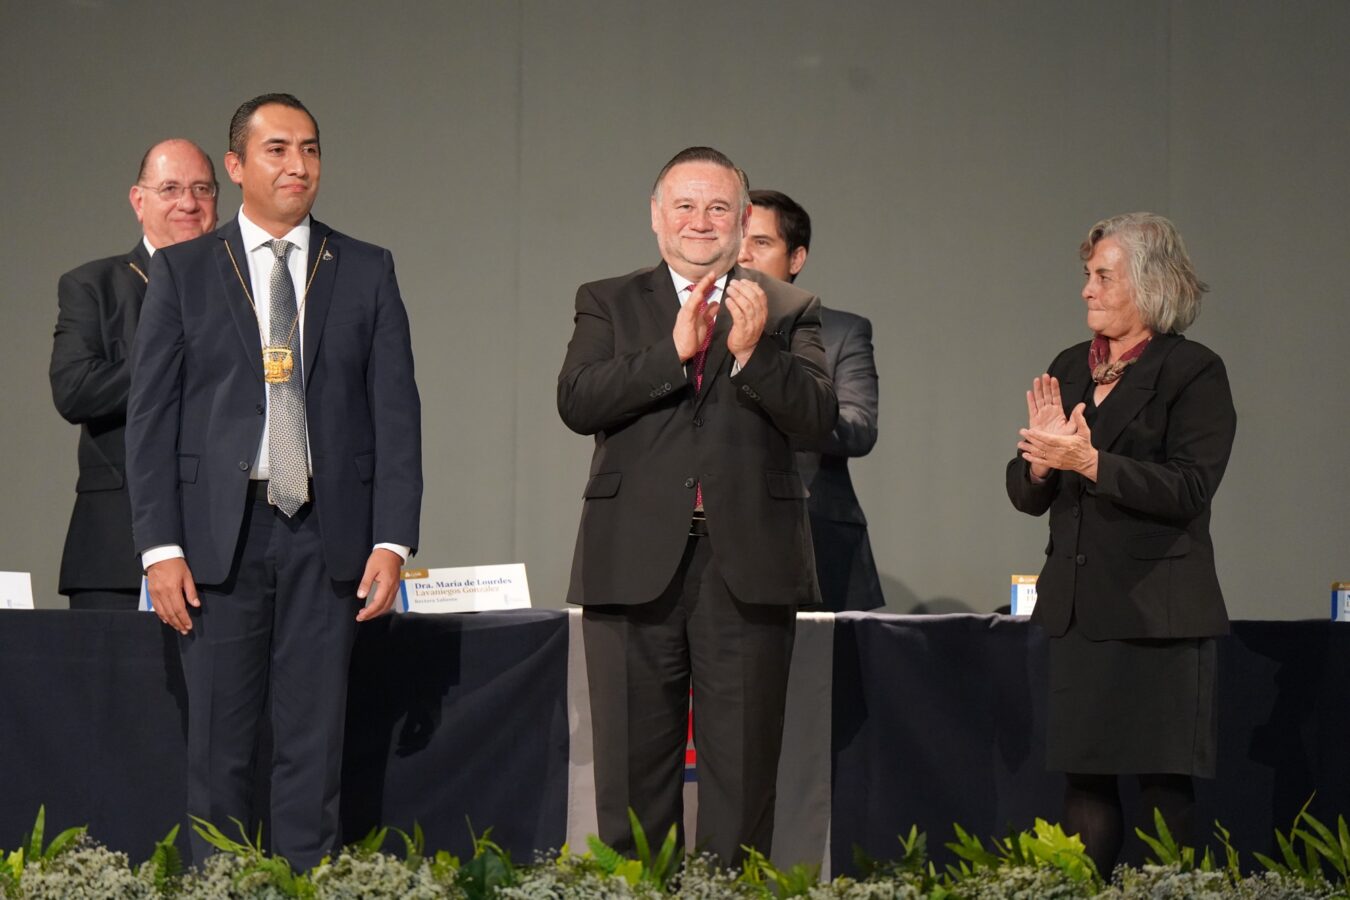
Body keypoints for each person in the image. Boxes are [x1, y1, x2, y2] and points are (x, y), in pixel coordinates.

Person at [126, 93, 422, 869]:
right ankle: (218, 886)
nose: (299, 165)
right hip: (219, 540)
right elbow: (151, 420)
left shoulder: (365, 267)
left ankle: (304, 886)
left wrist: (392, 537)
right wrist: (159, 548)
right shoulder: (187, 271)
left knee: (313, 748)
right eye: (279, 149)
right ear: (236, 166)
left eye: (311, 149)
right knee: (218, 747)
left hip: (330, 535)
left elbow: (396, 414)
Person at [558, 147, 837, 865]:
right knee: (629, 775)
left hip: (747, 565)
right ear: (657, 217)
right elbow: (578, 399)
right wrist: (670, 354)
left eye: (719, 208)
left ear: (744, 223)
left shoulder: (788, 308)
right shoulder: (608, 300)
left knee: (741, 780)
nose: (700, 221)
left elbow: (816, 421)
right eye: (684, 205)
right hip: (631, 562)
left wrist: (753, 355)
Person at [1006, 212, 1235, 875]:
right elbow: (1026, 495)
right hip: (1080, 613)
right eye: (1087, 275)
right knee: (1085, 782)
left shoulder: (1192, 372)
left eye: (1103, 276)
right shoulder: (1068, 368)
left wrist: (1088, 462)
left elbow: (1189, 488)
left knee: (1163, 788)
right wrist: (1043, 464)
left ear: (1151, 284)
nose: (1087, 290)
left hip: (1155, 614)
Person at [50, 139, 218, 610]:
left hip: (225, 546)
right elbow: (74, 390)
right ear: (138, 201)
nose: (188, 202)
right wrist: (174, 362)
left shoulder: (242, 288)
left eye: (202, 189)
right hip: (115, 552)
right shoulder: (94, 285)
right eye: (170, 188)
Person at [738, 189, 883, 611]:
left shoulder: (840, 332)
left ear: (796, 258)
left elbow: (858, 429)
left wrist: (784, 405)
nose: (743, 255)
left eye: (761, 243)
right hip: (721, 534)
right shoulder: (698, 327)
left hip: (816, 534)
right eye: (738, 240)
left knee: (822, 675)